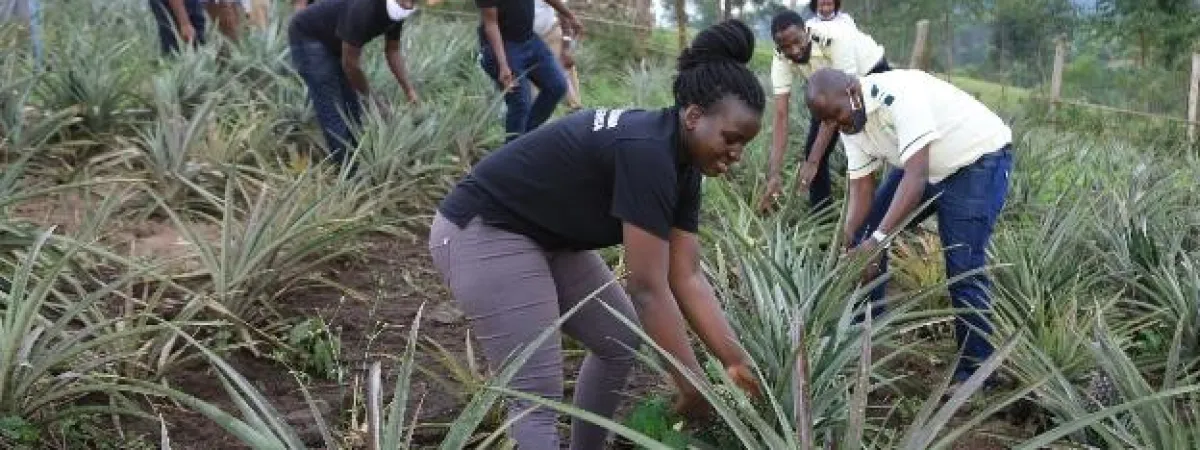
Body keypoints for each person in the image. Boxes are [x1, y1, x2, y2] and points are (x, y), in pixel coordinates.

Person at [428, 19, 765, 450]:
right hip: (483, 230)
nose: (735, 154)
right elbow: (647, 289)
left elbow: (687, 276)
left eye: (744, 145)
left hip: (546, 236)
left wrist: (735, 361)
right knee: (536, 392)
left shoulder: (682, 167)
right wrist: (692, 384)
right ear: (694, 116)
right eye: (731, 138)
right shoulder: (647, 153)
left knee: (618, 341)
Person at [805, 67, 1013, 386]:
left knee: (963, 265)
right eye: (828, 122)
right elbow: (862, 190)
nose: (836, 126)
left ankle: (977, 372)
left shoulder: (899, 95)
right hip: (924, 166)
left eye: (837, 115)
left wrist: (876, 241)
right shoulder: (849, 123)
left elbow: (914, 180)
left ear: (852, 92)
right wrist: (851, 243)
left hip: (977, 162)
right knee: (866, 238)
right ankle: (865, 339)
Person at [759, 10, 891, 215]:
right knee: (814, 154)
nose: (794, 51)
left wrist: (813, 161)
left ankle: (885, 213)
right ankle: (823, 221)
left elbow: (846, 98)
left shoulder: (835, 39)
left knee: (879, 141)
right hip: (826, 91)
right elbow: (781, 115)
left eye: (798, 42)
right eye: (785, 47)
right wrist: (774, 174)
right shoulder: (780, 58)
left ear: (807, 31)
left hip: (869, 74)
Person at [287, 0, 420, 168]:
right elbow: (350, 65)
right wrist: (374, 101)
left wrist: (409, 90)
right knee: (332, 105)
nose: (409, 4)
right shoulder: (364, 7)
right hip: (308, 35)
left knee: (351, 105)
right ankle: (348, 173)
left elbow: (392, 50)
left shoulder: (400, 10)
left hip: (334, 40)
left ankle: (356, 159)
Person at [476, 0, 580, 142]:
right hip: (503, 47)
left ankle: (524, 139)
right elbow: (491, 24)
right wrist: (503, 65)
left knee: (557, 86)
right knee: (521, 102)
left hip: (529, 40)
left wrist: (569, 15)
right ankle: (511, 153)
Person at [532, 0, 583, 111]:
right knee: (532, 87)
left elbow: (562, 11)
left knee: (562, 71)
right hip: (526, 40)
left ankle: (575, 110)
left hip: (550, 33)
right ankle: (535, 122)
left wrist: (566, 47)